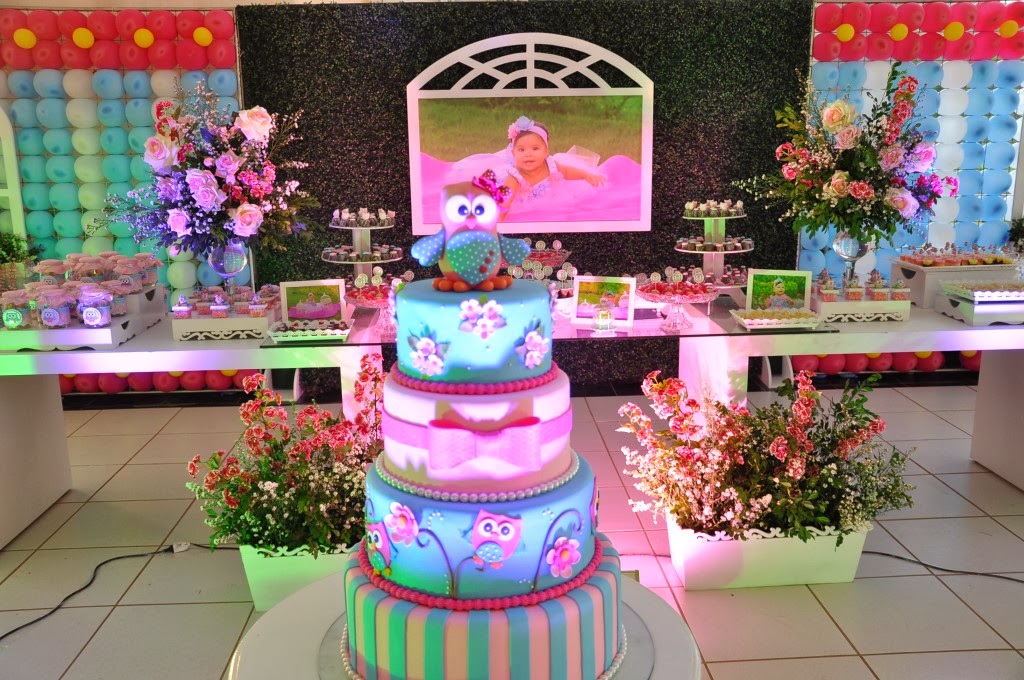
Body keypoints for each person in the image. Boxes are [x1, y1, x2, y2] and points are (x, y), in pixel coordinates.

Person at [499, 116, 605, 216]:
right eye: (521, 150)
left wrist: (585, 175)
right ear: (513, 153)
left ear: (546, 151)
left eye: (535, 148)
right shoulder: (514, 177)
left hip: (552, 202)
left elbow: (566, 172)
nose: (528, 154)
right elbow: (503, 204)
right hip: (523, 210)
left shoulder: (550, 166)